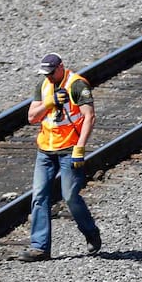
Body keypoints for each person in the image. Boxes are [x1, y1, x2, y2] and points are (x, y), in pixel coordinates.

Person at [18, 52, 101, 261]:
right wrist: (49, 102)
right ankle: (40, 247)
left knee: (70, 196)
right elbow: (31, 117)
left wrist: (80, 149)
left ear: (61, 67)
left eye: (51, 73)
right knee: (39, 196)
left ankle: (90, 232)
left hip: (69, 150)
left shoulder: (77, 85)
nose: (48, 77)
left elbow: (89, 117)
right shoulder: (44, 85)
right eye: (45, 74)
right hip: (45, 150)